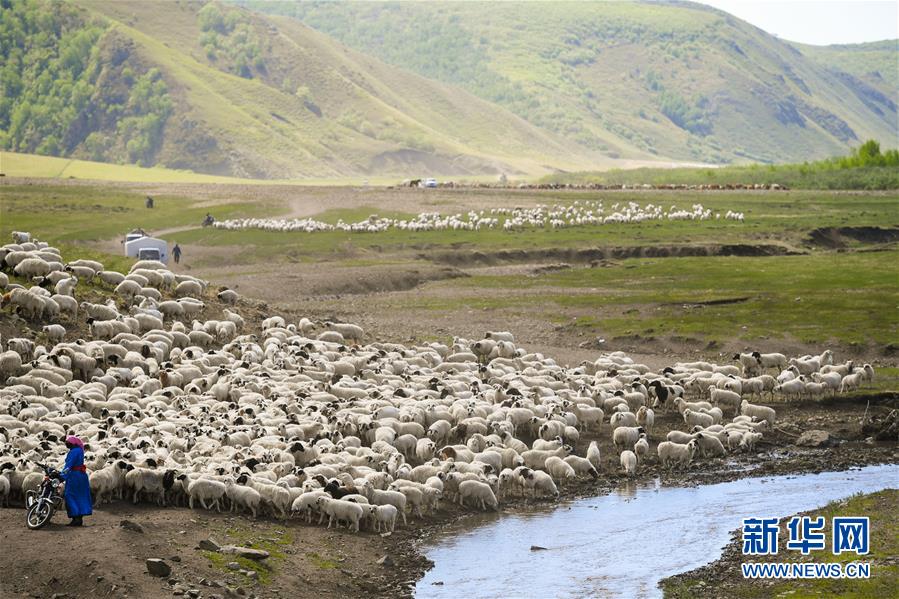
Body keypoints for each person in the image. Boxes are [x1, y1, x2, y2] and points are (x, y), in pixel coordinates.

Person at [59, 435, 92, 526]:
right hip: (81, 476)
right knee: (80, 496)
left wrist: (62, 475)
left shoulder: (73, 452)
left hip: (74, 476)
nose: (66, 444)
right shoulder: (79, 450)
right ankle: (79, 519)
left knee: (70, 495)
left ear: (73, 443)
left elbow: (69, 465)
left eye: (68, 443)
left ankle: (75, 518)